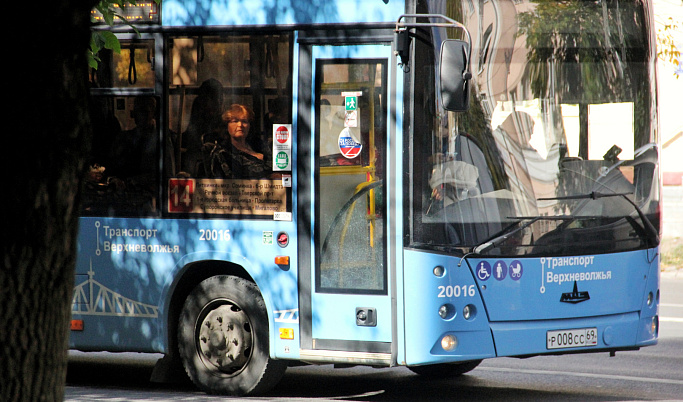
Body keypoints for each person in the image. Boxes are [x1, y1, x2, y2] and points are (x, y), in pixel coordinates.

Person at [202, 104, 274, 179]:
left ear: (249, 125)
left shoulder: (260, 145)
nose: (240, 125)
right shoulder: (222, 153)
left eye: (244, 121)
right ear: (227, 125)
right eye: (235, 121)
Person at [181, 78, 224, 176]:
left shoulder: (223, 123)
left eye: (219, 98)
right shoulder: (199, 118)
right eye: (212, 98)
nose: (218, 102)